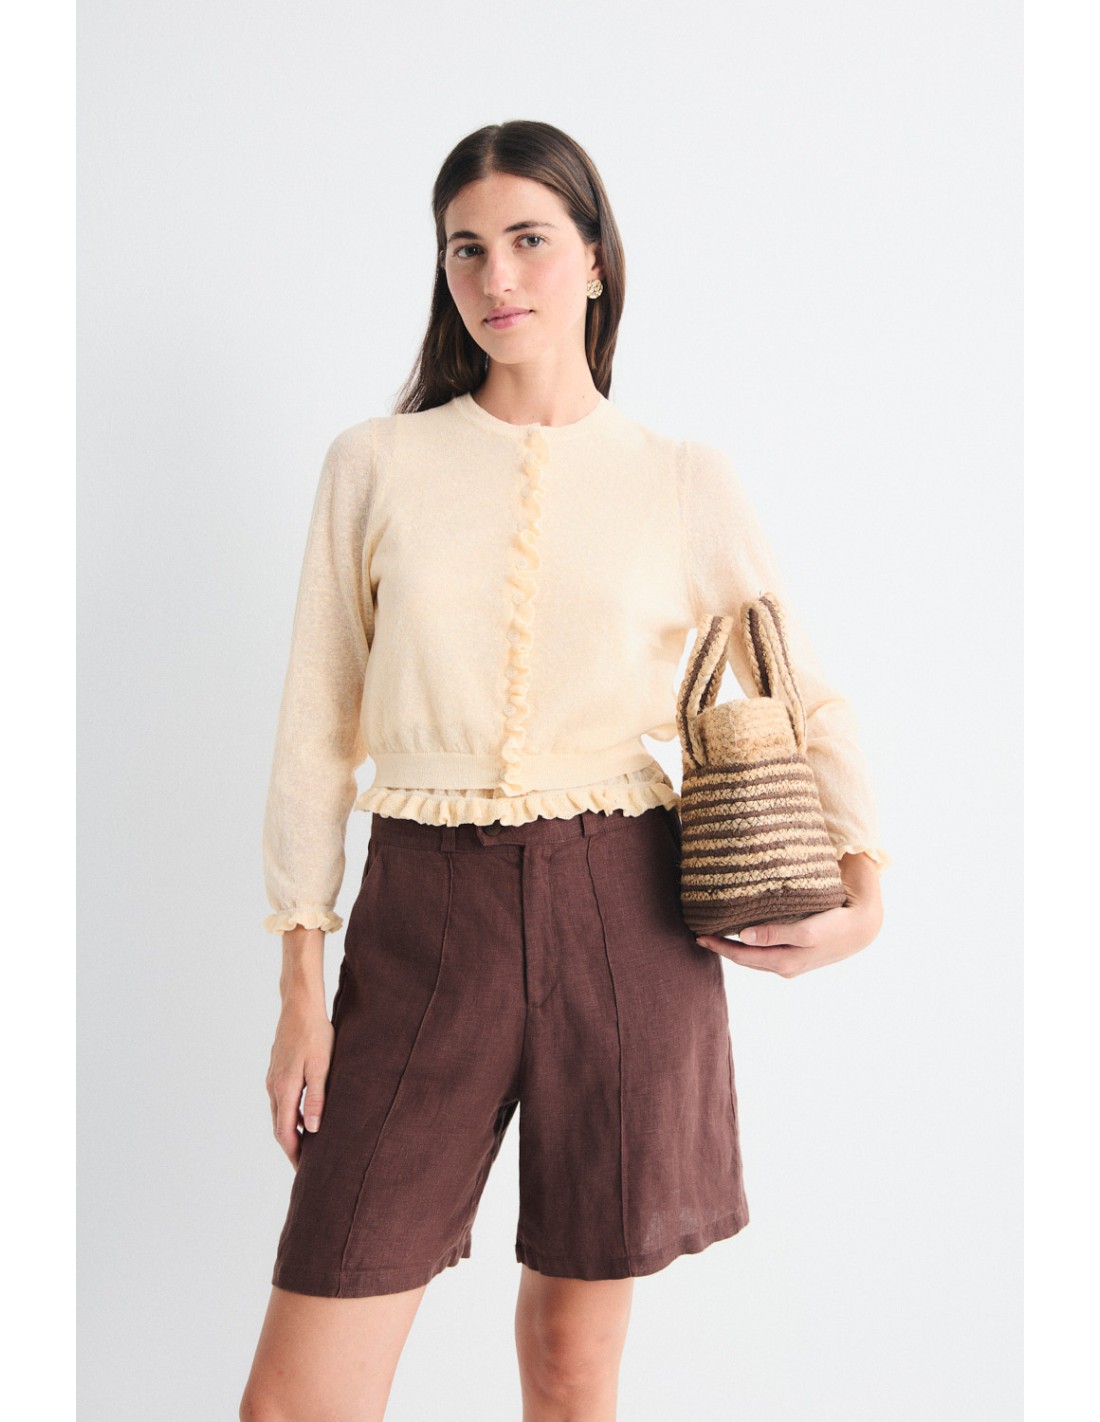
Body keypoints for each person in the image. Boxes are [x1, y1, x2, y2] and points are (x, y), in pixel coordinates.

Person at [239, 119, 888, 1422]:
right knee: (298, 1399)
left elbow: (804, 690)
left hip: (625, 912)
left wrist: (864, 893)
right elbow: (315, 727)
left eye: (529, 240)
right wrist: (302, 985)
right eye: (465, 249)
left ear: (595, 259)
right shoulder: (376, 465)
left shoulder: (681, 480)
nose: (496, 278)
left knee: (573, 1365)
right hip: (425, 917)